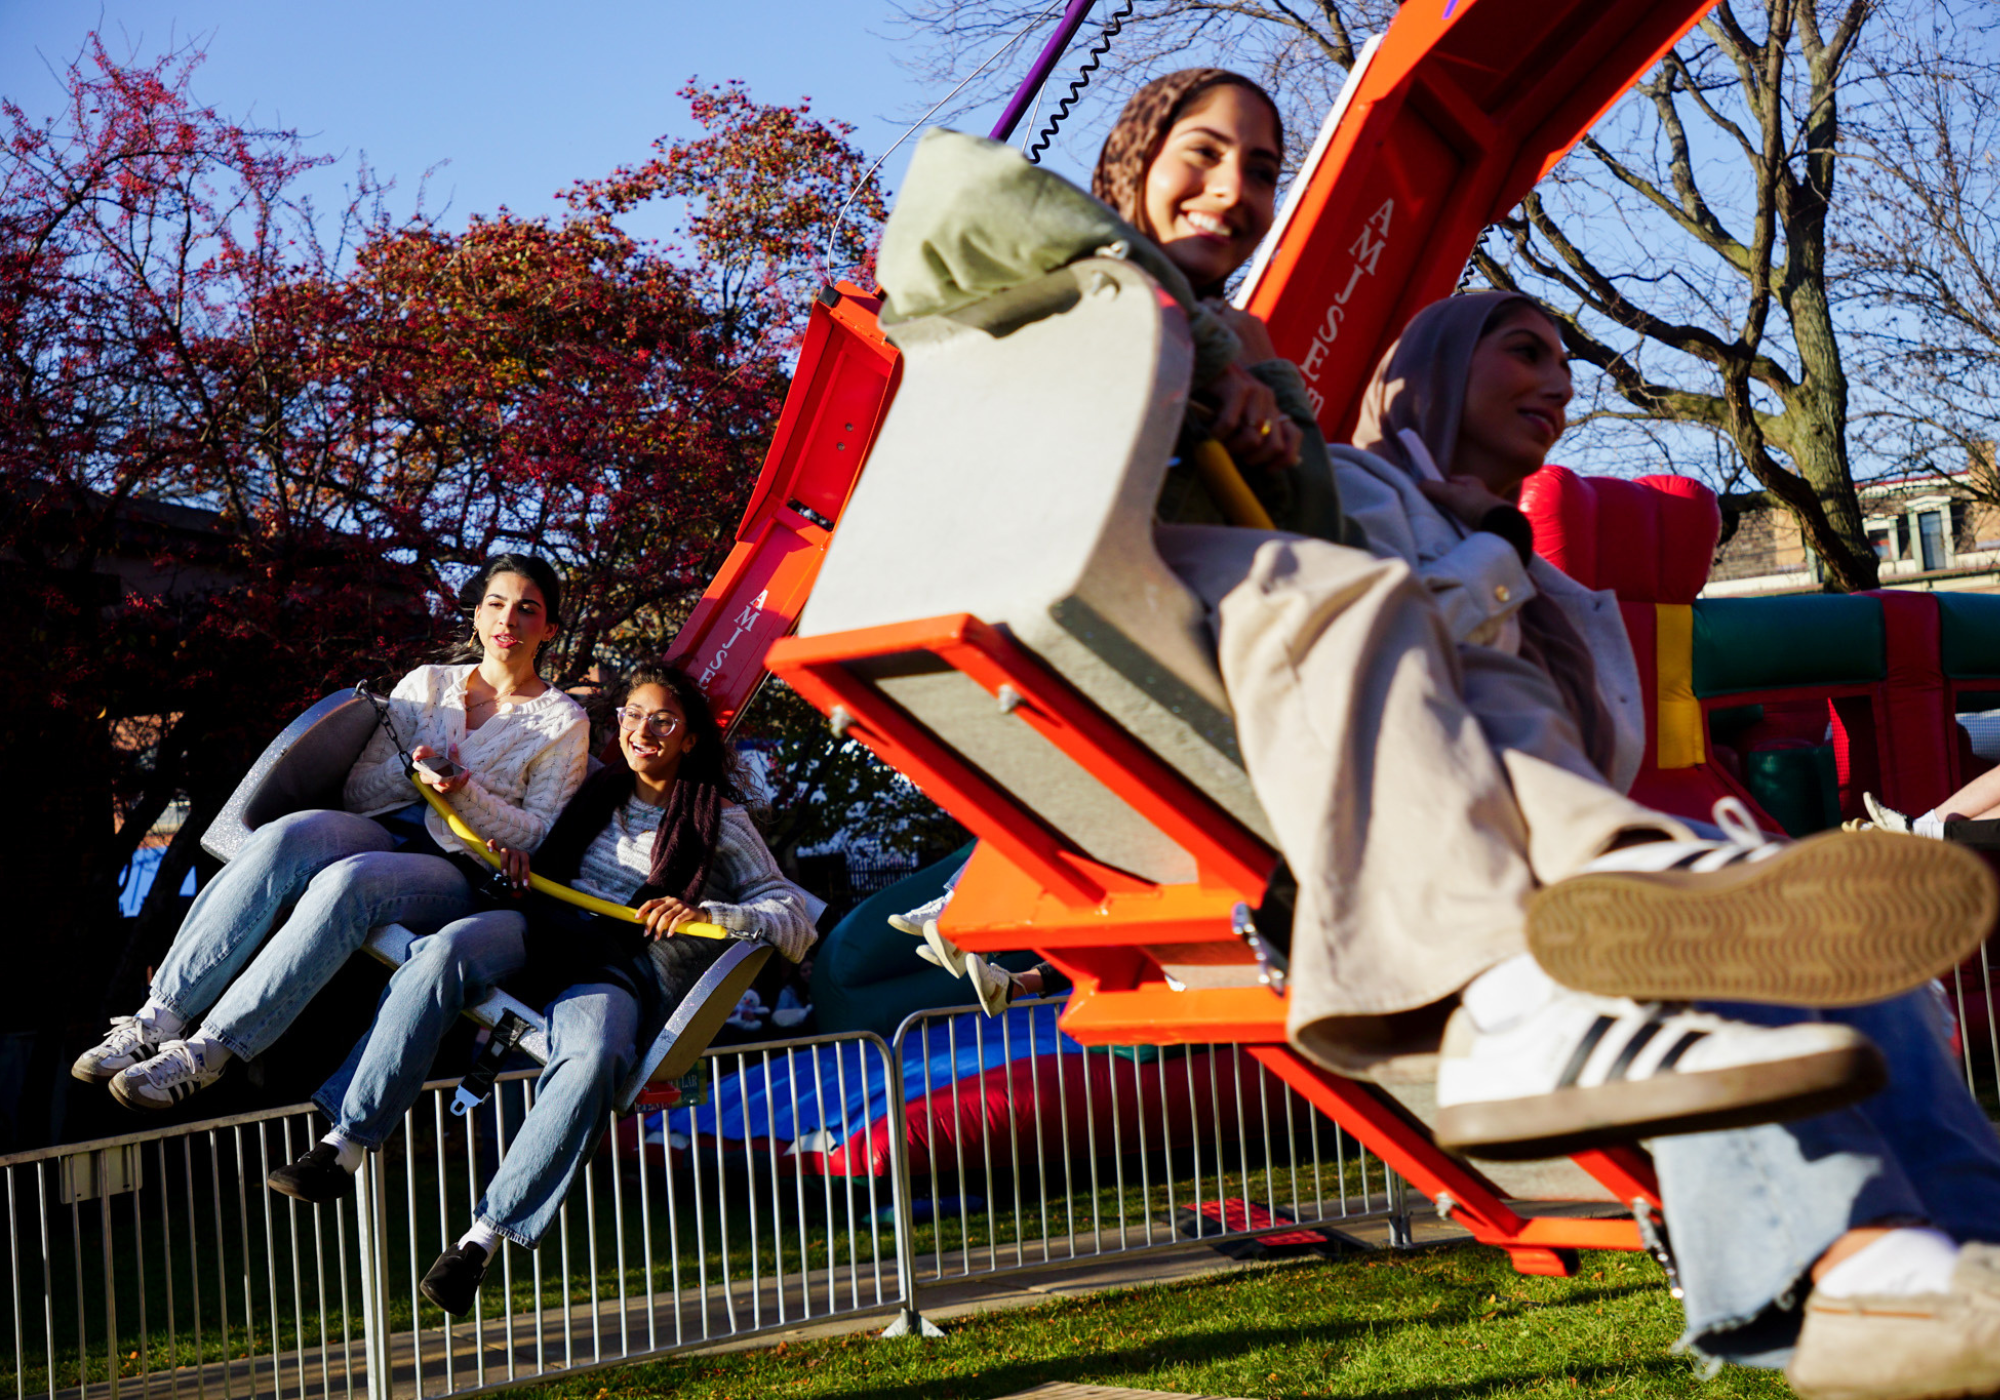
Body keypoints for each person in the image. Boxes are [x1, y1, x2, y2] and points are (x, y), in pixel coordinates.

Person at [874, 69, 1991, 1145]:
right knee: (1367, 604)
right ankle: (1512, 971)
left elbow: (1306, 517)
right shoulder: (1101, 295)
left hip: (1344, 657)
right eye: (1201, 153)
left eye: (1260, 169)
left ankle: (1653, 899)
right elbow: (946, 201)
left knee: (1490, 683)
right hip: (1135, 597)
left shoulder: (1280, 378)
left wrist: (1266, 396)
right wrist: (1176, 337)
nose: (1234, 189)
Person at [1333, 287, 2000, 1395]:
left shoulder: (1553, 581)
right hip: (1459, 861)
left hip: (1587, 851)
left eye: (1563, 359)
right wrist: (1488, 544)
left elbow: (1586, 743)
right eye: (1522, 351)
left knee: (1851, 963)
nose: (1556, 381)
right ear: (1438, 366)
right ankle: (1855, 1264)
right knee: (1709, 951)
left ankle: (1961, 1258)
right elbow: (1382, 669)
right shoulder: (1360, 498)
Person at [262, 664, 820, 1318]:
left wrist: (715, 914)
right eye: (634, 715)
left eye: (663, 720)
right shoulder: (592, 787)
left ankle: (481, 1241)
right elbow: (530, 835)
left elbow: (794, 914)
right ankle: (345, 1143)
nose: (644, 731)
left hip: (612, 962)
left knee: (593, 1058)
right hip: (539, 924)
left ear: (690, 739)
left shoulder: (717, 818)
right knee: (440, 951)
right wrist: (512, 855)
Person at [75, 555, 591, 1111]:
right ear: (476, 615)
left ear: (549, 630)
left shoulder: (563, 722)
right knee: (286, 836)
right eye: (496, 603)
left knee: (352, 882)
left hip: (457, 868)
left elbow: (539, 834)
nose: (507, 619)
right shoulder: (425, 684)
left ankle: (208, 1052)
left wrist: (462, 791)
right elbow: (359, 791)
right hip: (377, 829)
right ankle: (159, 1016)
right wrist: (409, 768)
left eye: (527, 609)